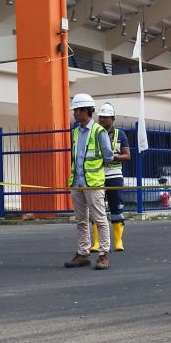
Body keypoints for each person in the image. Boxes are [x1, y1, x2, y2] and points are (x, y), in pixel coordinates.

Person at [64, 93, 114, 270]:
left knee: (99, 219)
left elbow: (108, 155)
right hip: (77, 182)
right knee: (81, 220)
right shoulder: (76, 132)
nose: (74, 114)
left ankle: (103, 254)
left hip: (93, 183)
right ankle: (83, 253)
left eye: (76, 110)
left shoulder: (99, 131)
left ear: (85, 111)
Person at [92, 102, 130, 252]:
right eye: (100, 117)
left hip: (114, 176)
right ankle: (96, 243)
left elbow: (127, 156)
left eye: (105, 117)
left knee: (116, 208)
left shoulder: (120, 135)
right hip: (97, 175)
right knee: (96, 210)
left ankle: (118, 241)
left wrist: (112, 157)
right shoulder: (94, 133)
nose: (101, 120)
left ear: (112, 119)